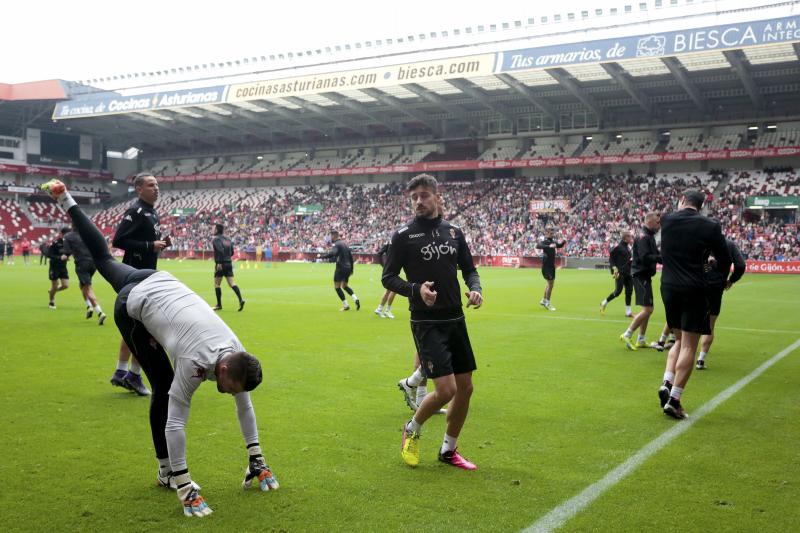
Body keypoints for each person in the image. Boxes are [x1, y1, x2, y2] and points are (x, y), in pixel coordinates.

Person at [42, 179, 278, 518]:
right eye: (229, 388)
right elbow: (176, 422)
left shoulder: (237, 353)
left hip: (161, 282)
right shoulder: (195, 364)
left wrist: (257, 458)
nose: (228, 394)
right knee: (165, 389)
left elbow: (245, 404)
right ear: (223, 370)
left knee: (104, 259)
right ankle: (167, 471)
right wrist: (185, 484)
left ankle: (64, 197)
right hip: (134, 304)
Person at [383, 174, 483, 470]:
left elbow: (469, 269)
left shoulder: (454, 232)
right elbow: (388, 277)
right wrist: (416, 290)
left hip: (456, 319)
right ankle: (412, 429)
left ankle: (449, 450)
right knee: (447, 390)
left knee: (466, 388)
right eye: (414, 198)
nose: (418, 202)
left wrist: (476, 288)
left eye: (424, 195)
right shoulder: (403, 235)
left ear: (438, 198)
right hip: (426, 322)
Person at [658, 189, 730, 419]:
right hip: (694, 288)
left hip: (668, 287)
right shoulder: (710, 226)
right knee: (689, 345)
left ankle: (666, 382)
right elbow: (725, 259)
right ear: (702, 206)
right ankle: (675, 399)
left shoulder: (666, 219)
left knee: (678, 340)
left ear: (681, 201)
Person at [110, 172, 169, 396]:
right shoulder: (135, 211)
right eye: (151, 185)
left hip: (146, 274)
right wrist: (149, 245)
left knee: (135, 325)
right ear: (139, 189)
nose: (157, 188)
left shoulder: (152, 213)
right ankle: (133, 375)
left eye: (157, 185)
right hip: (135, 275)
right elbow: (119, 241)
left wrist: (158, 245)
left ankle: (121, 371)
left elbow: (148, 243)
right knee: (146, 327)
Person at [696, 238, 746, 370]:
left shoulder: (702, 241)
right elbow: (740, 265)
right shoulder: (729, 244)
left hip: (697, 284)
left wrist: (706, 269)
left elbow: (693, 260)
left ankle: (684, 353)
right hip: (716, 286)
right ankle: (700, 359)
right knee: (710, 325)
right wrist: (731, 280)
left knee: (692, 321)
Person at [620, 212, 661, 351]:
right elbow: (645, 257)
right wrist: (662, 259)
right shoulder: (643, 236)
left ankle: (641, 339)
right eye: (657, 222)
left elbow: (653, 254)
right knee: (648, 309)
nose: (659, 225)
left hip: (644, 275)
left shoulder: (648, 236)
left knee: (647, 309)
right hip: (640, 275)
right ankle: (627, 334)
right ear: (649, 221)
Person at [62, 222, 107, 325]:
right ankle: (89, 307)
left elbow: (67, 252)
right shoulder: (87, 234)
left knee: (88, 288)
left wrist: (64, 256)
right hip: (93, 263)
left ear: (72, 225)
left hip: (82, 264)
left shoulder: (68, 236)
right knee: (82, 285)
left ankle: (100, 312)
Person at [319, 230, 360, 311]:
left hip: (340, 268)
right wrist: (352, 269)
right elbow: (351, 258)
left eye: (331, 236)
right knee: (344, 286)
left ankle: (346, 305)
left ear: (334, 236)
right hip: (348, 268)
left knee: (337, 287)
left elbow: (333, 253)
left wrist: (322, 256)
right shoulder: (345, 244)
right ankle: (355, 299)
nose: (330, 238)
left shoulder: (336, 244)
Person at [211, 223, 245, 311]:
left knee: (216, 284)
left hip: (221, 264)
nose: (212, 230)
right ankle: (241, 299)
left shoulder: (216, 239)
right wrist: (227, 258)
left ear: (217, 230)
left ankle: (219, 305)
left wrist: (219, 263)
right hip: (229, 263)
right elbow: (232, 252)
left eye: (213, 228)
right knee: (232, 283)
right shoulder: (228, 239)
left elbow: (220, 250)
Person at [600, 230, 634, 317]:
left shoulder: (628, 247)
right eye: (630, 236)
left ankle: (628, 312)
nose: (631, 238)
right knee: (618, 292)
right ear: (625, 238)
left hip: (628, 273)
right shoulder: (618, 247)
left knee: (629, 291)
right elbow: (611, 258)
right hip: (620, 273)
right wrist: (614, 268)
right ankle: (604, 302)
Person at [536, 227, 565, 311]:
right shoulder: (546, 241)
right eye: (551, 233)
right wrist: (548, 246)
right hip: (547, 267)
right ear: (547, 234)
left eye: (553, 233)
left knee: (549, 284)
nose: (552, 234)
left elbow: (559, 245)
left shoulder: (553, 241)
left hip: (551, 266)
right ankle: (547, 303)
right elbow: (538, 245)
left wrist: (564, 241)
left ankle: (544, 300)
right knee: (551, 285)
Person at [46, 228, 71, 309]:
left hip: (63, 267)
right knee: (55, 285)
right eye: (67, 234)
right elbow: (49, 254)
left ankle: (52, 292)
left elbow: (68, 253)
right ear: (62, 234)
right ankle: (51, 302)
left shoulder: (69, 244)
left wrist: (67, 257)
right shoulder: (55, 243)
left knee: (65, 285)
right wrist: (60, 257)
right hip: (54, 266)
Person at [375, 240, 396, 318]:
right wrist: (384, 265)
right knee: (394, 289)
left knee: (389, 290)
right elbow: (379, 254)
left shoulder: (389, 242)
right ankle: (387, 310)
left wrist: (384, 265)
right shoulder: (396, 242)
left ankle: (379, 309)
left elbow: (379, 253)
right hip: (392, 269)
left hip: (390, 268)